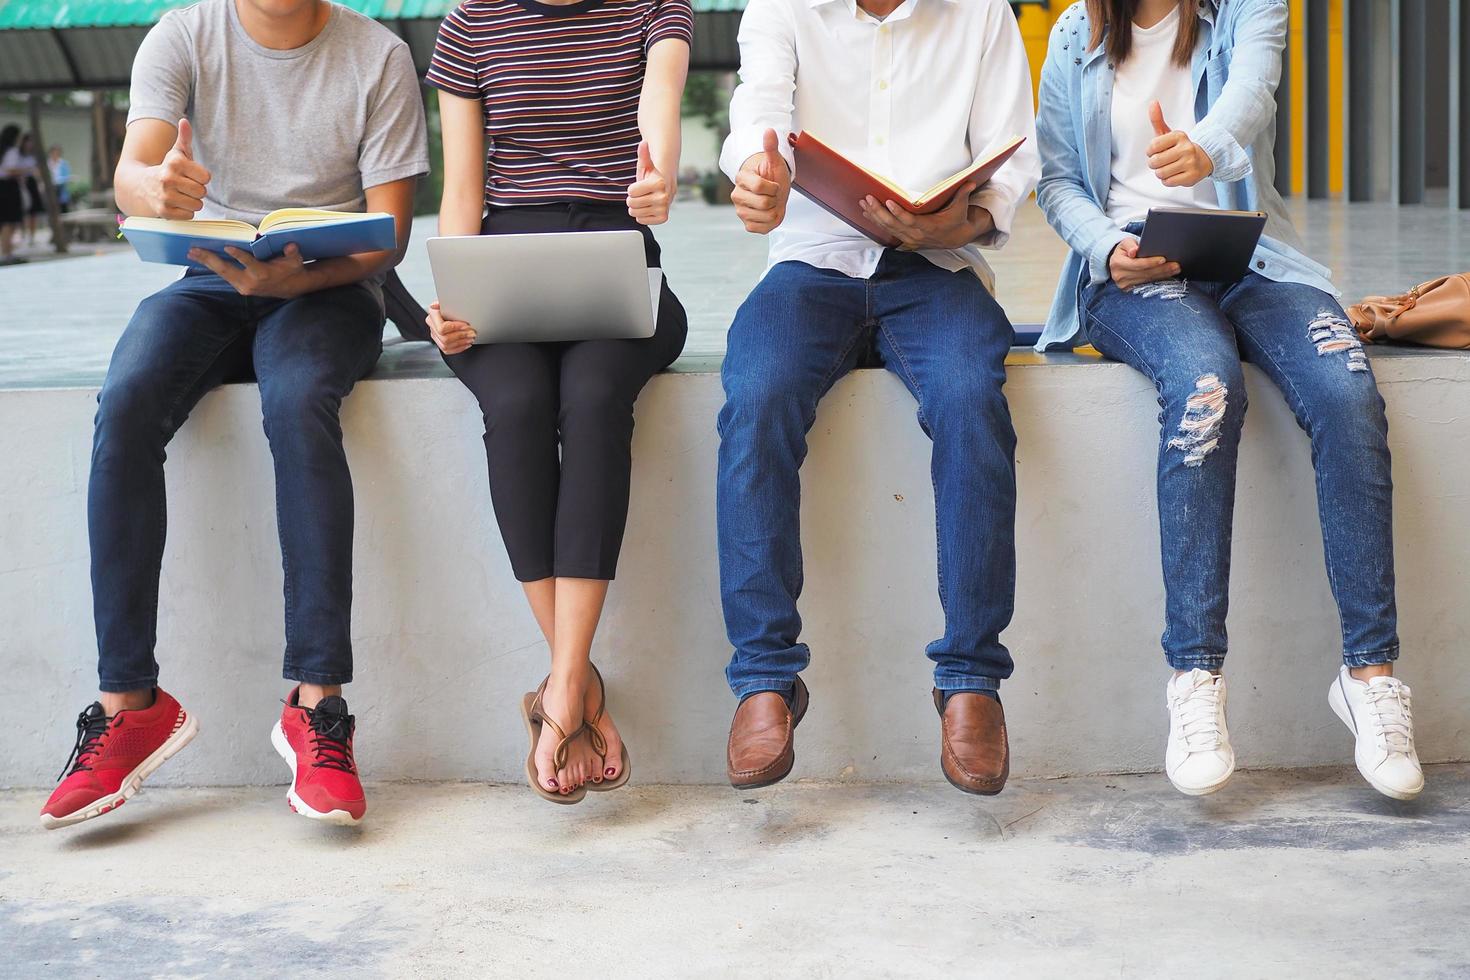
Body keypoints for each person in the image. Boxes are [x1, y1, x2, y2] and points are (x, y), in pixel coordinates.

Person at [39, 0, 428, 830]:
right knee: (129, 400)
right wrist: (150, 185)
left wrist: (297, 281)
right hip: (211, 276)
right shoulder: (182, 35)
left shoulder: (379, 56)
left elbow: (387, 234)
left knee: (295, 399)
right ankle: (128, 704)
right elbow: (134, 172)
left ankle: (318, 704)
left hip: (328, 288)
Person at [1035, 0, 1423, 799]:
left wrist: (1202, 150)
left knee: (1346, 387)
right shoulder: (1076, 32)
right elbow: (1059, 181)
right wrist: (1108, 248)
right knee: (1206, 389)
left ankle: (1371, 678)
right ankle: (1195, 678)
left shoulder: (1246, 9)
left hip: (1255, 261)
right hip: (1134, 273)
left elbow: (1253, 94)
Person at [716, 0, 1039, 794]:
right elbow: (759, 110)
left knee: (970, 396)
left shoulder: (980, 13)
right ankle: (765, 676)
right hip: (810, 261)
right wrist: (756, 176)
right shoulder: (782, 8)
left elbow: (1013, 155)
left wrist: (966, 220)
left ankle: (971, 678)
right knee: (755, 396)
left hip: (937, 270)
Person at [424, 0, 692, 803]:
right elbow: (464, 186)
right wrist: (452, 293)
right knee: (513, 405)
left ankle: (561, 691)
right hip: (504, 267)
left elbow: (661, 111)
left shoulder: (654, 8)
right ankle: (577, 686)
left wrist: (658, 178)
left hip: (618, 259)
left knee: (596, 392)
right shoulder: (471, 23)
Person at [0, 125, 25, 264]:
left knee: (5, 221)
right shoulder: (13, 151)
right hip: (8, 187)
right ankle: (6, 253)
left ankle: (7, 251)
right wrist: (27, 170)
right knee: (8, 221)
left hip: (3, 187)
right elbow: (9, 170)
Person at [17, 133, 44, 244]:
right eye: (28, 141)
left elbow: (38, 171)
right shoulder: (18, 155)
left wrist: (40, 182)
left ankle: (31, 236)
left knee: (33, 212)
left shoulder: (35, 156)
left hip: (32, 184)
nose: (30, 144)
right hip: (21, 183)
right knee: (22, 211)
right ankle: (22, 234)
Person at [48, 145, 72, 212]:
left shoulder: (64, 163)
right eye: (53, 152)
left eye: (57, 152)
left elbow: (66, 177)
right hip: (50, 188)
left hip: (61, 187)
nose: (55, 154)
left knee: (63, 207)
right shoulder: (47, 164)